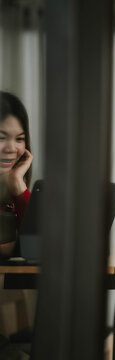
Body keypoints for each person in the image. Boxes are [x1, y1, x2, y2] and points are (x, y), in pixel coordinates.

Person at [0, 91, 33, 258]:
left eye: (19, 139)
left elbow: (40, 246)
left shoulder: (12, 192)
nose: (11, 149)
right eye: (1, 138)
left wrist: (17, 185)